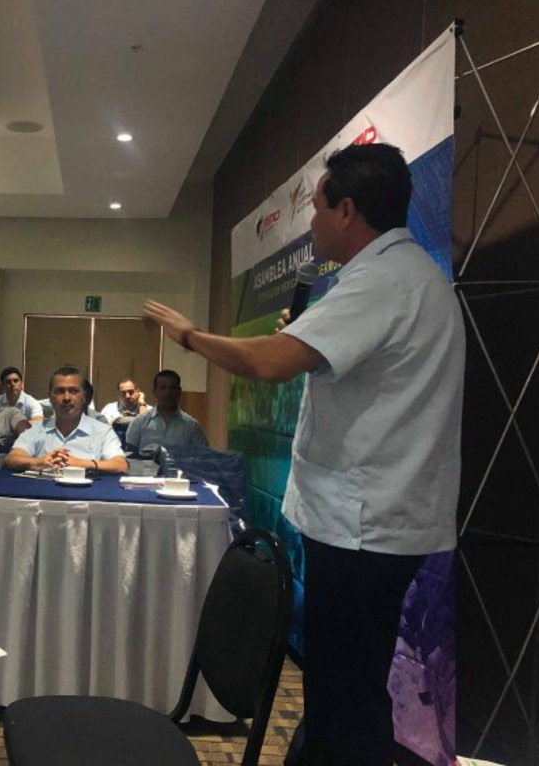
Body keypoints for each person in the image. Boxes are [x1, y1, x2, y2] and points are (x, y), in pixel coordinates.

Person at [144, 143, 465, 766]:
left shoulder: (379, 282)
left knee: (344, 696)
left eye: (316, 208)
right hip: (376, 521)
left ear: (347, 210)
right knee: (348, 690)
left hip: (363, 527)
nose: (312, 222)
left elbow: (269, 362)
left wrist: (187, 335)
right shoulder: (403, 276)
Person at [3, 366, 128, 474]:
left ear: (84, 396)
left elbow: (121, 465)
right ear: (50, 397)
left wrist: (82, 464)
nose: (67, 397)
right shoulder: (37, 430)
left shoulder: (102, 431)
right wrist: (38, 462)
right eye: (60, 391)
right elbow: (11, 459)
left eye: (74, 391)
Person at [125, 369, 208, 454]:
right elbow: (129, 456)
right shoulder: (139, 422)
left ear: (179, 392)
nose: (168, 392)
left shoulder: (192, 427)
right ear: (155, 392)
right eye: (163, 388)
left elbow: (204, 458)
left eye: (173, 388)